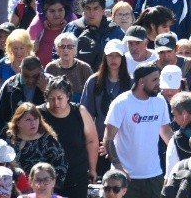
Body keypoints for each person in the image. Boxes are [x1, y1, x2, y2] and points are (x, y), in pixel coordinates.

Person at [104, 63, 173, 198]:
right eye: (154, 80)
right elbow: (108, 139)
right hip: (125, 177)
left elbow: (166, 132)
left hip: (154, 175)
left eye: (158, 79)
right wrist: (118, 168)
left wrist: (181, 155)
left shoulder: (160, 101)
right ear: (141, 81)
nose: (158, 84)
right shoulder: (121, 103)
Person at [38, 76, 98, 198]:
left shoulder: (80, 112)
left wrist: (92, 168)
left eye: (60, 98)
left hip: (77, 175)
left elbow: (91, 141)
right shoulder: (39, 114)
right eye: (52, 99)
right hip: (47, 178)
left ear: (68, 96)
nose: (56, 103)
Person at [80, 39, 130, 177]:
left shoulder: (131, 83)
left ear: (123, 57)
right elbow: (86, 115)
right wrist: (95, 143)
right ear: (105, 57)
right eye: (110, 55)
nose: (113, 59)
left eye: (117, 55)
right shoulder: (93, 81)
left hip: (125, 144)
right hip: (99, 144)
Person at [0, 103, 67, 185]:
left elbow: (61, 168)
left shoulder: (48, 141)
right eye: (28, 120)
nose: (33, 123)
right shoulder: (7, 137)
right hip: (8, 187)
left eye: (36, 119)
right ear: (18, 122)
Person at [44, 33, 93, 102]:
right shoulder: (51, 68)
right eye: (62, 46)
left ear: (75, 50)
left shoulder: (84, 68)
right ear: (56, 49)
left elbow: (91, 94)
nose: (65, 50)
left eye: (70, 47)